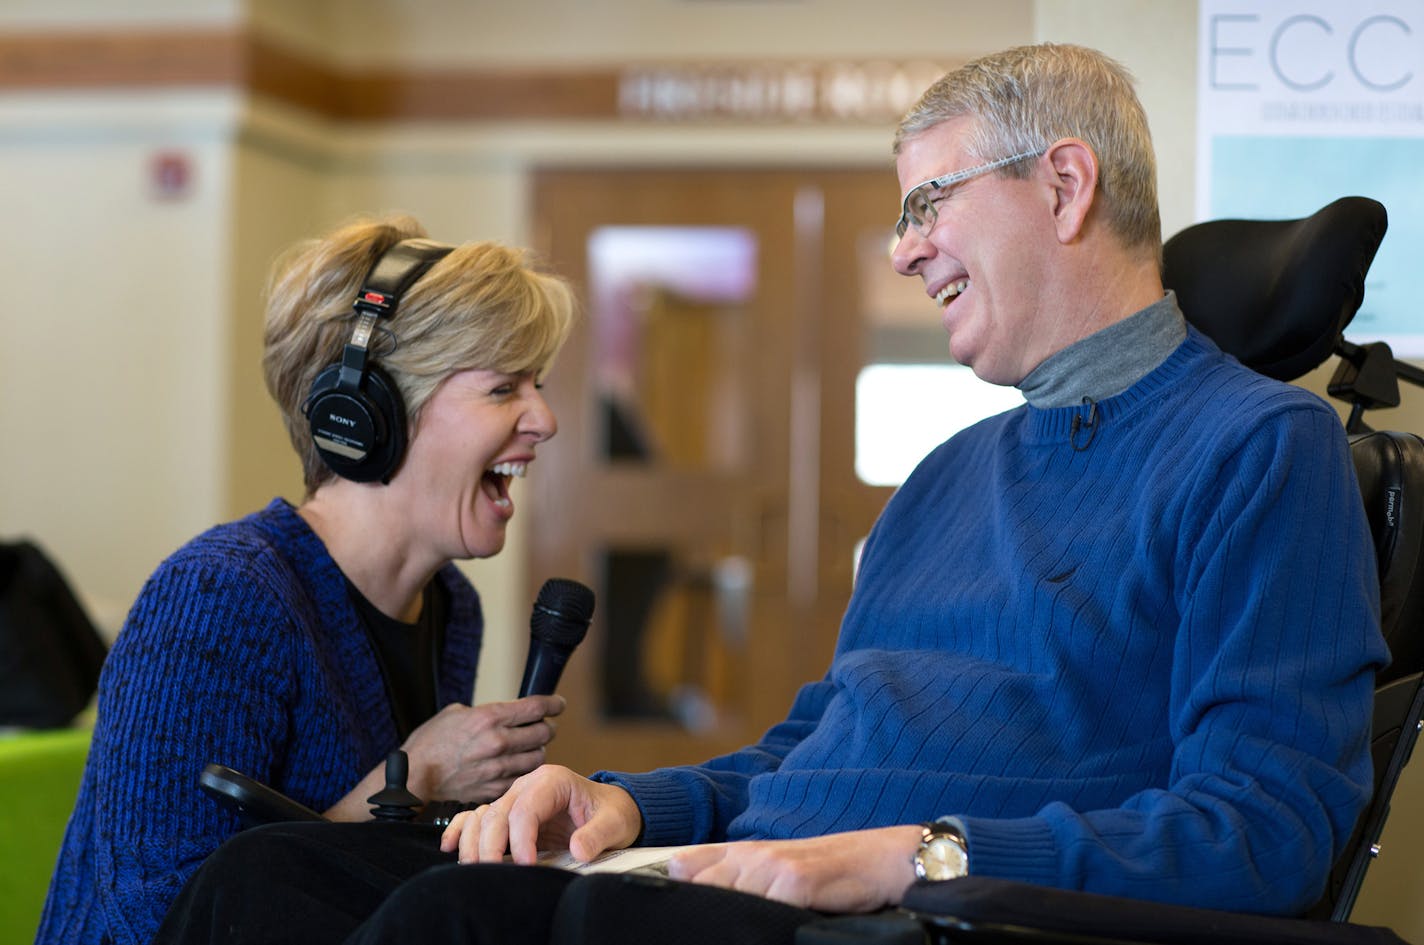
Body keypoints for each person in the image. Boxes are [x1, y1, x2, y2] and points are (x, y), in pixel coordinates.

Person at [151, 43, 1388, 945]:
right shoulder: (948, 478)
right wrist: (620, 802)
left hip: (923, 914)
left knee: (455, 920)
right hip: (753, 872)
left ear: (1063, 187)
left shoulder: (1257, 450)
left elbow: (1262, 833)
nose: (901, 248)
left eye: (925, 203)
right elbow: (806, 752)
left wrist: (910, 861)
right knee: (270, 884)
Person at [37, 214, 576, 945]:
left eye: (536, 384)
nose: (543, 418)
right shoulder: (219, 597)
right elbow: (158, 915)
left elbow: (382, 886)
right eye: (503, 387)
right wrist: (410, 779)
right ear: (368, 414)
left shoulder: (451, 604)